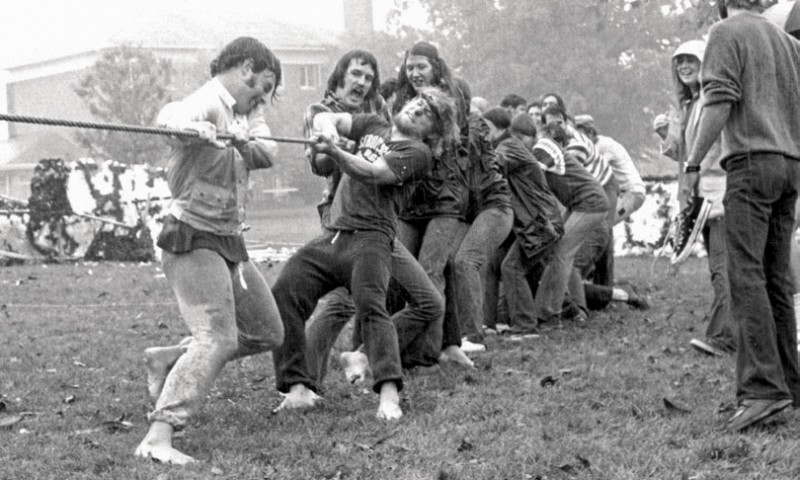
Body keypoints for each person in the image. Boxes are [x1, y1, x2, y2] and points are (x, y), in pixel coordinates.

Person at [134, 37, 285, 465]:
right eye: (263, 85)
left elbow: (268, 151)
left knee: (267, 332)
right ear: (246, 68)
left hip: (227, 239)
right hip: (191, 234)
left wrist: (242, 141)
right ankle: (158, 436)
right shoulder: (208, 100)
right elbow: (171, 117)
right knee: (217, 338)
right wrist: (192, 128)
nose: (263, 97)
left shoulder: (247, 113)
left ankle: (168, 360)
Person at [271, 87, 459, 420]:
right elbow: (328, 117)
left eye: (428, 113)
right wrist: (329, 131)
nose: (418, 109)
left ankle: (389, 396)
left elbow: (374, 173)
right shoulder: (373, 124)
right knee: (285, 290)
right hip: (334, 235)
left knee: (372, 307)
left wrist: (335, 152)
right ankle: (298, 389)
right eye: (418, 102)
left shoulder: (418, 153)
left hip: (372, 239)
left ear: (434, 132)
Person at [684, 0, 800, 432]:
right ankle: (789, 384)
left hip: (751, 162)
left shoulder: (726, 33)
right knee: (776, 278)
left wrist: (693, 162)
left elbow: (719, 99)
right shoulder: (788, 42)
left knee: (745, 274)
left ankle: (761, 390)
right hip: (790, 165)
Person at [299, 50, 442, 388]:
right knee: (342, 300)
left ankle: (359, 357)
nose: (362, 82)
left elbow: (388, 157)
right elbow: (319, 164)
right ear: (340, 77)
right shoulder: (321, 110)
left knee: (425, 302)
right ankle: (303, 383)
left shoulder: (375, 113)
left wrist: (356, 146)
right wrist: (334, 145)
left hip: (379, 222)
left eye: (368, 77)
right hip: (342, 213)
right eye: (356, 74)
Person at [390, 41, 475, 368]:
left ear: (436, 68)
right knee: (405, 272)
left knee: (430, 271)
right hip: (412, 200)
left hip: (444, 199)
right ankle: (427, 344)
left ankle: (426, 353)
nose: (414, 73)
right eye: (410, 67)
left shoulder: (452, 96)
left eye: (421, 66)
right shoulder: (403, 100)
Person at [655, 40, 734, 356]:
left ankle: (725, 336)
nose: (684, 67)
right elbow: (687, 154)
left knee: (723, 267)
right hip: (699, 198)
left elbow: (711, 150)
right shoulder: (690, 105)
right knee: (719, 267)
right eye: (679, 62)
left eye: (691, 60)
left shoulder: (713, 100)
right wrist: (666, 135)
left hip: (720, 193)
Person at [506, 112, 608, 332]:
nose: (518, 144)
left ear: (532, 135)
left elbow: (532, 179)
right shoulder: (537, 148)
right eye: (514, 140)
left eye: (521, 138)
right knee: (557, 252)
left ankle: (550, 314)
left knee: (562, 253)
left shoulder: (541, 148)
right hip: (578, 204)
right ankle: (550, 310)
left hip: (590, 204)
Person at [480, 108, 563, 331]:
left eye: (486, 127)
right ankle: (488, 324)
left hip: (541, 223)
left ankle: (525, 325)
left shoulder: (508, 146)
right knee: (492, 264)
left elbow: (493, 164)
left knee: (511, 267)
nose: (481, 132)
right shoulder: (506, 145)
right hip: (531, 223)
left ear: (500, 128)